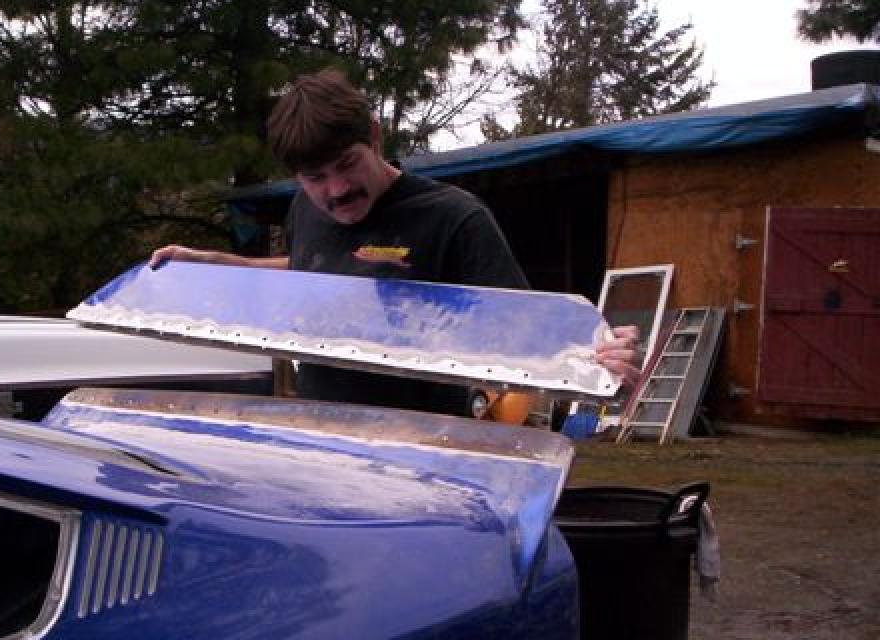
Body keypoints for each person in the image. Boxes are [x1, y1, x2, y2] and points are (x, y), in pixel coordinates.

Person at [151, 67, 639, 413]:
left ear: (375, 137)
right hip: (327, 438)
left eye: (347, 165)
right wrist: (220, 264)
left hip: (430, 449)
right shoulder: (305, 209)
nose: (336, 190)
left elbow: (526, 326)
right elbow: (312, 269)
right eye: (315, 178)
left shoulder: (455, 217)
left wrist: (595, 351)